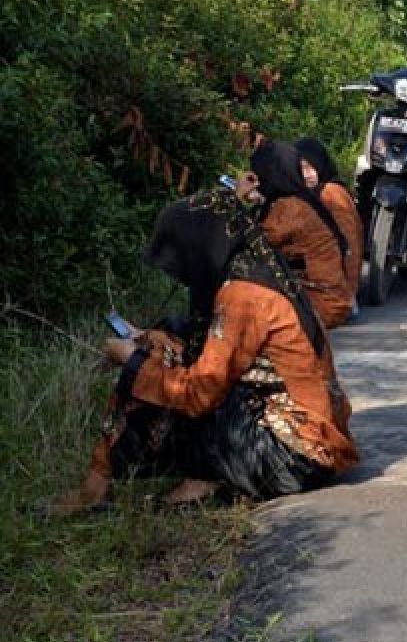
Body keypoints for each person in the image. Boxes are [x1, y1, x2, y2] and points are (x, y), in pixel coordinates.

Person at [49, 189, 358, 513]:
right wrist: (148, 341)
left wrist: (131, 361)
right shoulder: (259, 272)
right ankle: (118, 481)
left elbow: (199, 393)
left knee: (156, 366)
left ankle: (109, 486)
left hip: (296, 458)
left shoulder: (244, 297)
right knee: (163, 344)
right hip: (312, 445)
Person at [239, 140, 354, 328]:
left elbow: (250, 239)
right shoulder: (298, 199)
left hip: (322, 305)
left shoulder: (290, 207)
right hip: (328, 300)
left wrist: (237, 198)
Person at [294, 137, 364, 304]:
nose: (306, 175)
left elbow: (350, 247)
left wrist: (347, 294)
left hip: (335, 292)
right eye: (301, 168)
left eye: (311, 167)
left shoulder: (332, 194)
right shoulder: (308, 196)